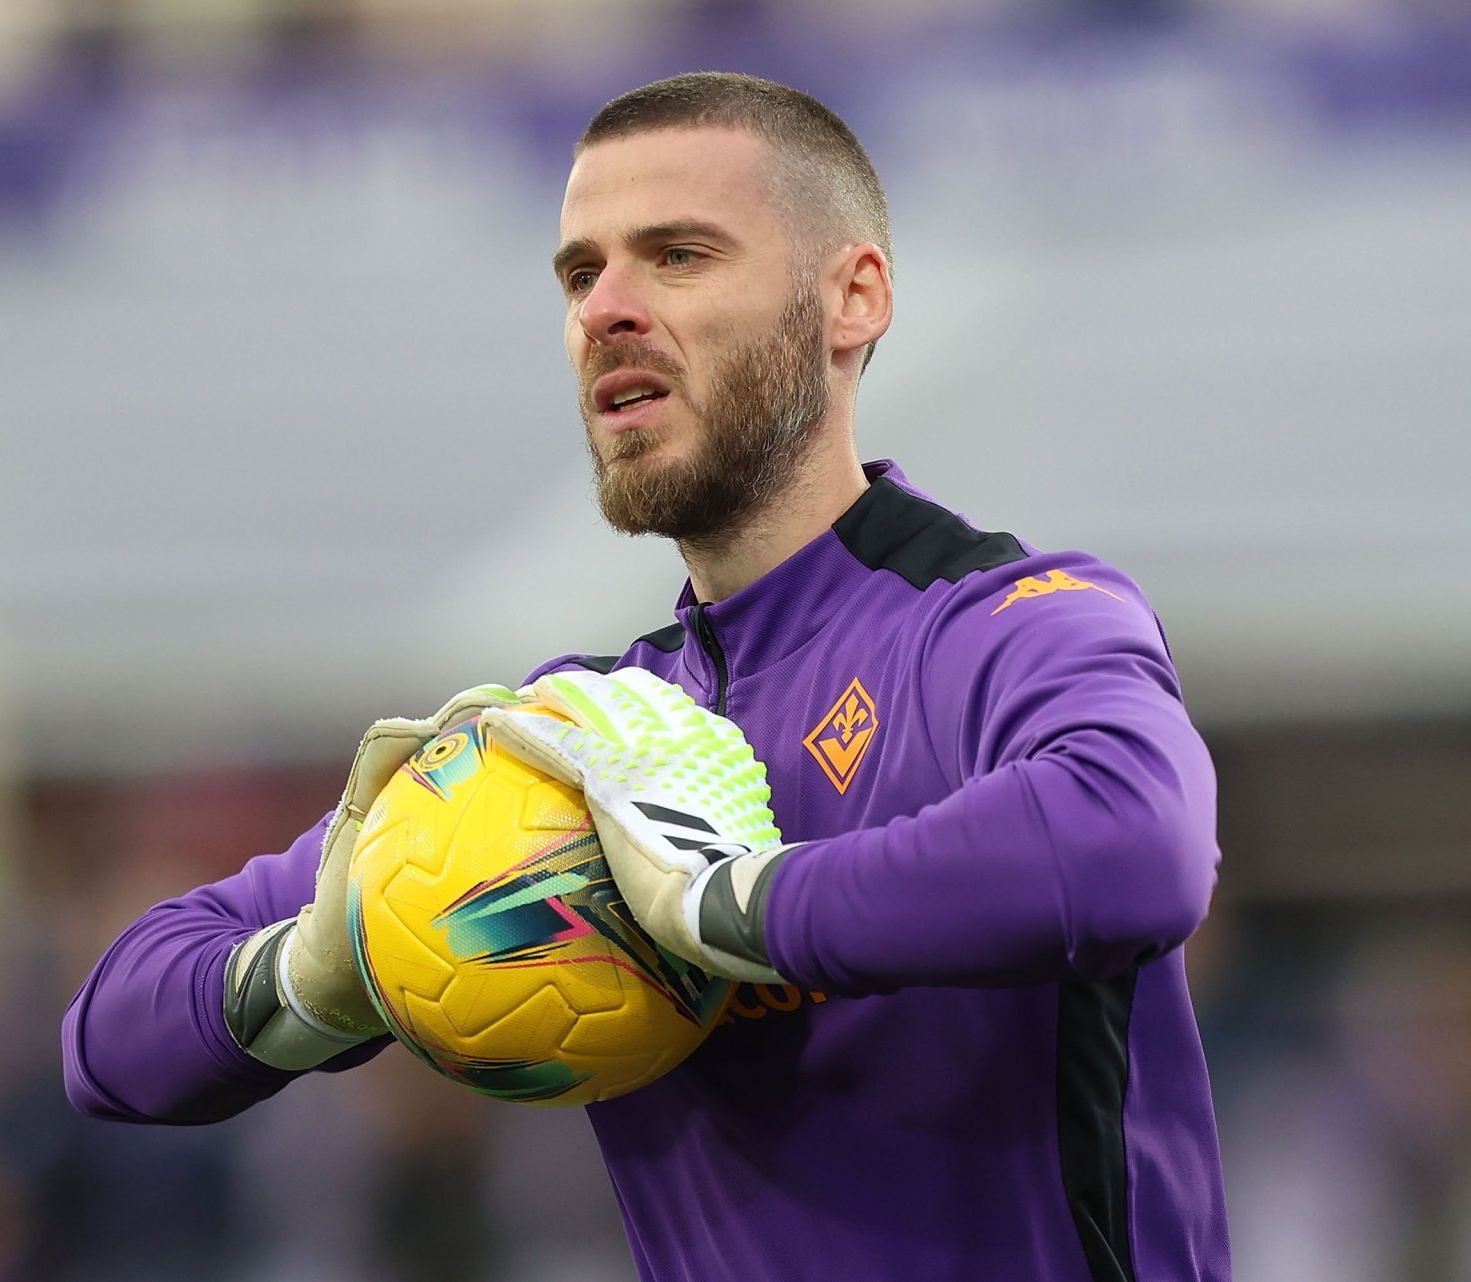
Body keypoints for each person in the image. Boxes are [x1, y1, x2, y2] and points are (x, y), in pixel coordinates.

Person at [64, 71, 1229, 1281]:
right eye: (581, 274)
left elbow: (1133, 843)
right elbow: (108, 1044)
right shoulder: (574, 742)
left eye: (677, 256)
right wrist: (319, 965)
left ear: (853, 298)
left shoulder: (1006, 623)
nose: (607, 309)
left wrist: (733, 909)